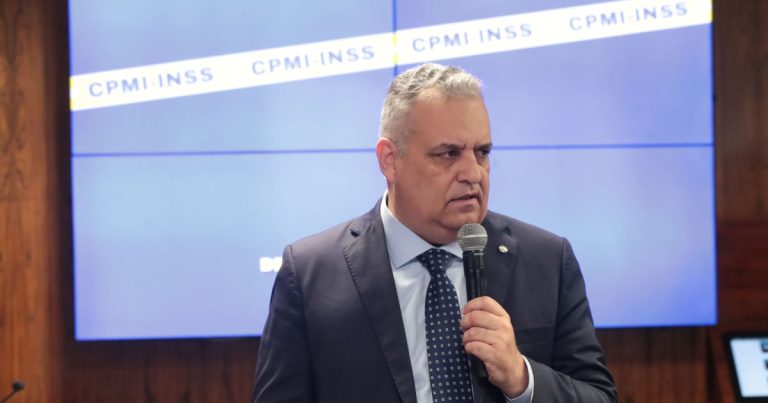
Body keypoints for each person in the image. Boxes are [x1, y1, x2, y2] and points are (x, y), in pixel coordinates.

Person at [252, 63, 617, 403]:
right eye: (448, 154)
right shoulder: (311, 275)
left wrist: (522, 378)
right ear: (390, 160)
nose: (473, 174)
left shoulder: (547, 261)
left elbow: (599, 395)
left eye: (482, 152)